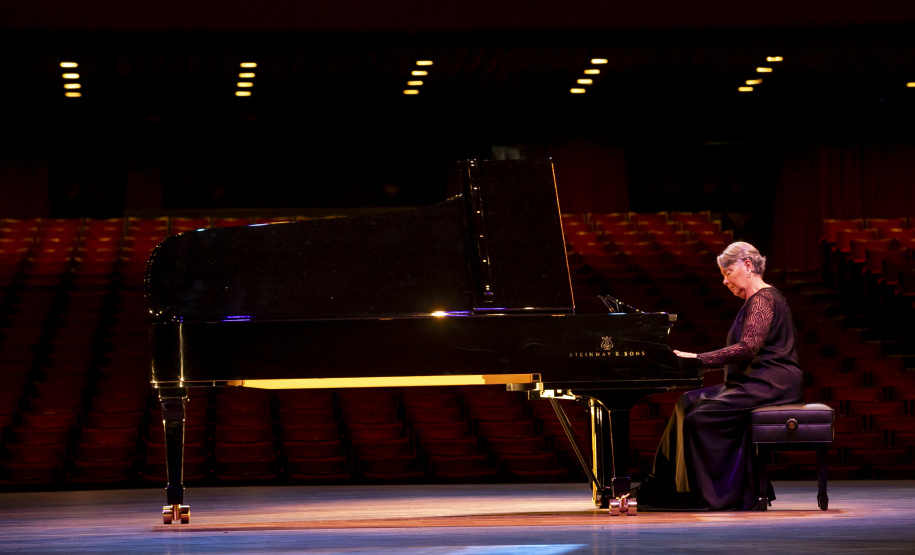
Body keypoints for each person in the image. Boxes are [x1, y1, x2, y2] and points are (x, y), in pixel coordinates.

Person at [635, 241, 803, 510]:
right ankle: (672, 487)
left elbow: (748, 347)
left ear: (747, 265)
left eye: (727, 272)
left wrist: (698, 359)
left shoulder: (763, 298)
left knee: (700, 416)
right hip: (756, 380)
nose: (724, 281)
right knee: (686, 402)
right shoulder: (757, 300)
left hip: (772, 383)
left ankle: (720, 494)